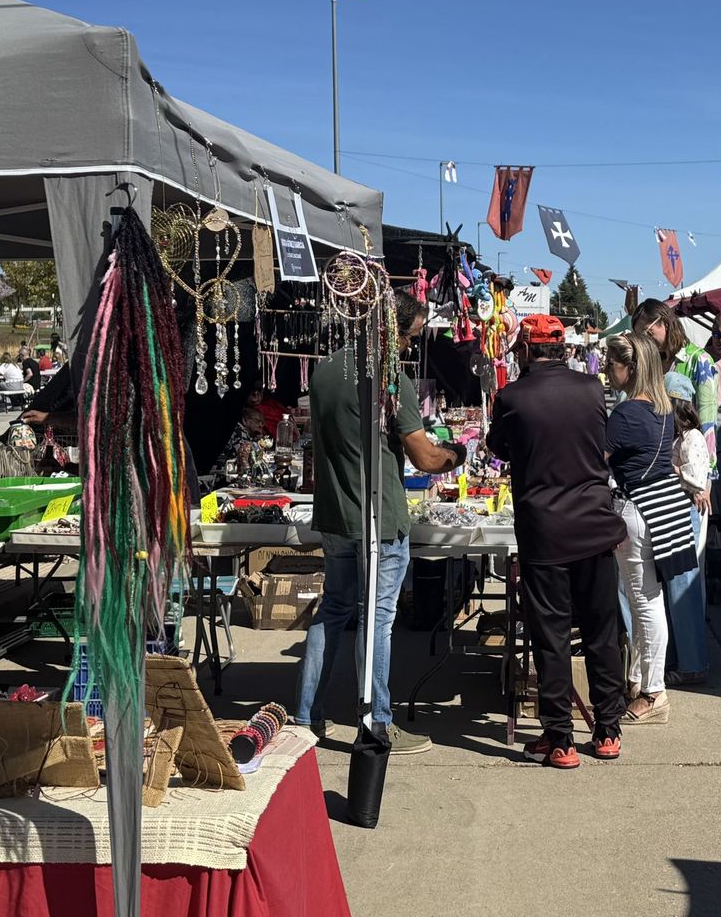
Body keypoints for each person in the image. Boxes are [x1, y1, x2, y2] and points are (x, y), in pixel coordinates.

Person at [296, 290, 464, 754]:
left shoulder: (326, 370)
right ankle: (377, 720)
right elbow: (426, 456)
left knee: (333, 613)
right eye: (411, 337)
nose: (411, 346)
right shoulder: (390, 377)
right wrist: (456, 453)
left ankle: (305, 717)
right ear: (393, 331)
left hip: (335, 516)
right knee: (377, 621)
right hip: (378, 521)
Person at [486, 313, 627, 768]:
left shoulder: (511, 397)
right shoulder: (591, 390)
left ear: (526, 351)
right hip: (594, 525)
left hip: (545, 532)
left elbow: (499, 447)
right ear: (563, 349)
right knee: (602, 632)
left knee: (551, 636)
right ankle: (607, 730)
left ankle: (560, 738)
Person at [603, 332, 697, 726]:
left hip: (638, 509)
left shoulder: (625, 415)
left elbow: (597, 459)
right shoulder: (662, 409)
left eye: (612, 364)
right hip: (665, 508)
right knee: (649, 601)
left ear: (630, 369)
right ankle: (641, 680)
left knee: (645, 603)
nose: (607, 371)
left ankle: (653, 691)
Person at [665, 378, 712, 686]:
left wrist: (672, 470)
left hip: (685, 511)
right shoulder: (681, 436)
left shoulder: (691, 437)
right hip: (681, 509)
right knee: (677, 586)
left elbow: (695, 477)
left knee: (684, 587)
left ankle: (693, 663)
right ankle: (685, 658)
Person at [632, 299, 718, 448]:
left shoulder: (700, 361)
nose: (645, 341)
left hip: (690, 458)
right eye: (640, 337)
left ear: (665, 323)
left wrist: (706, 466)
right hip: (657, 457)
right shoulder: (651, 362)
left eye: (648, 333)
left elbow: (707, 421)